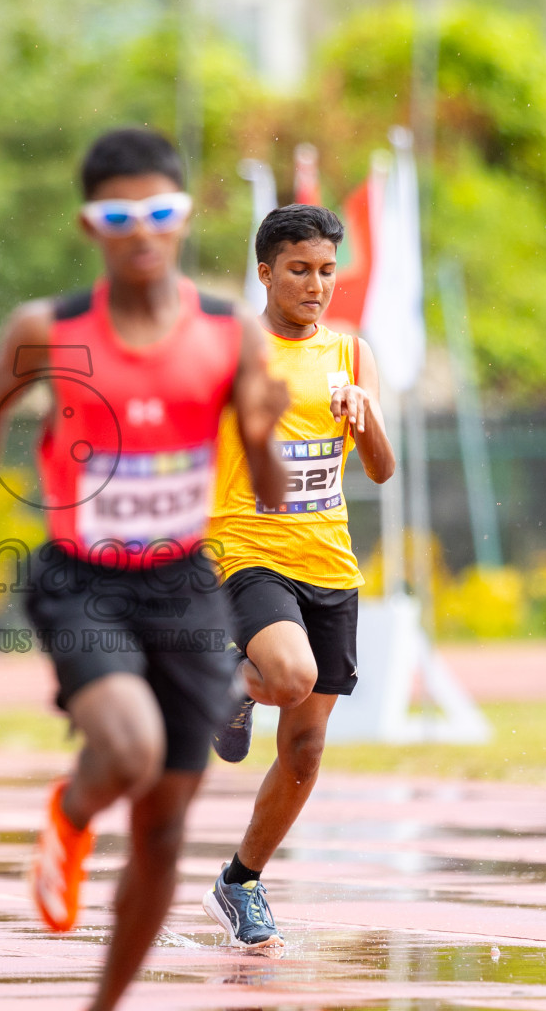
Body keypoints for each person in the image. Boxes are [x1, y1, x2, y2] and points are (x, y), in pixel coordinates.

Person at [0, 128, 287, 1010]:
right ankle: (70, 810)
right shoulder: (48, 328)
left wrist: (260, 435)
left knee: (167, 829)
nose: (144, 232)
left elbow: (274, 490)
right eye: (120, 215)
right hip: (81, 580)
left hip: (183, 586)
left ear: (184, 218)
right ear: (90, 224)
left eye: (161, 213)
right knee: (129, 747)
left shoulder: (227, 331)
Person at [201, 203, 395, 949]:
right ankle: (223, 683)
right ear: (265, 273)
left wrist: (363, 413)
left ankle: (241, 880)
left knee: (305, 751)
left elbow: (380, 468)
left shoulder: (351, 355)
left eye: (326, 271)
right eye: (299, 270)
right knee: (287, 676)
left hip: (330, 564)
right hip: (247, 551)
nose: (316, 285)